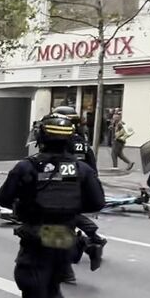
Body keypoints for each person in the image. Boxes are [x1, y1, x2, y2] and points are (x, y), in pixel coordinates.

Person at [0, 112, 105, 298]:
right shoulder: (82, 168)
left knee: (34, 293)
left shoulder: (27, 166)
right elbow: (96, 202)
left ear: (41, 137)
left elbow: (4, 199)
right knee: (53, 286)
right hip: (65, 237)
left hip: (36, 236)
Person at [54, 107, 105, 272]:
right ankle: (87, 243)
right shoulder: (81, 141)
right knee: (66, 219)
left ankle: (82, 245)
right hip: (83, 184)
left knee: (53, 224)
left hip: (69, 185)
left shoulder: (64, 142)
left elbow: (66, 167)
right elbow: (91, 164)